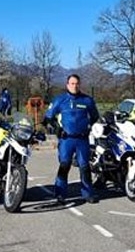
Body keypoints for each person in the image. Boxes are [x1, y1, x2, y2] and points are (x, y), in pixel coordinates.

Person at [43, 74, 100, 204]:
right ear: (67, 85)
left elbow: (95, 116)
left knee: (85, 167)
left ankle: (87, 193)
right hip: (66, 139)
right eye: (72, 83)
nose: (74, 86)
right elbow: (48, 118)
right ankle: (60, 194)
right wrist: (57, 129)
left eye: (77, 83)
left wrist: (89, 127)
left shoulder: (87, 100)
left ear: (80, 85)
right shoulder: (60, 100)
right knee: (64, 165)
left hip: (82, 139)